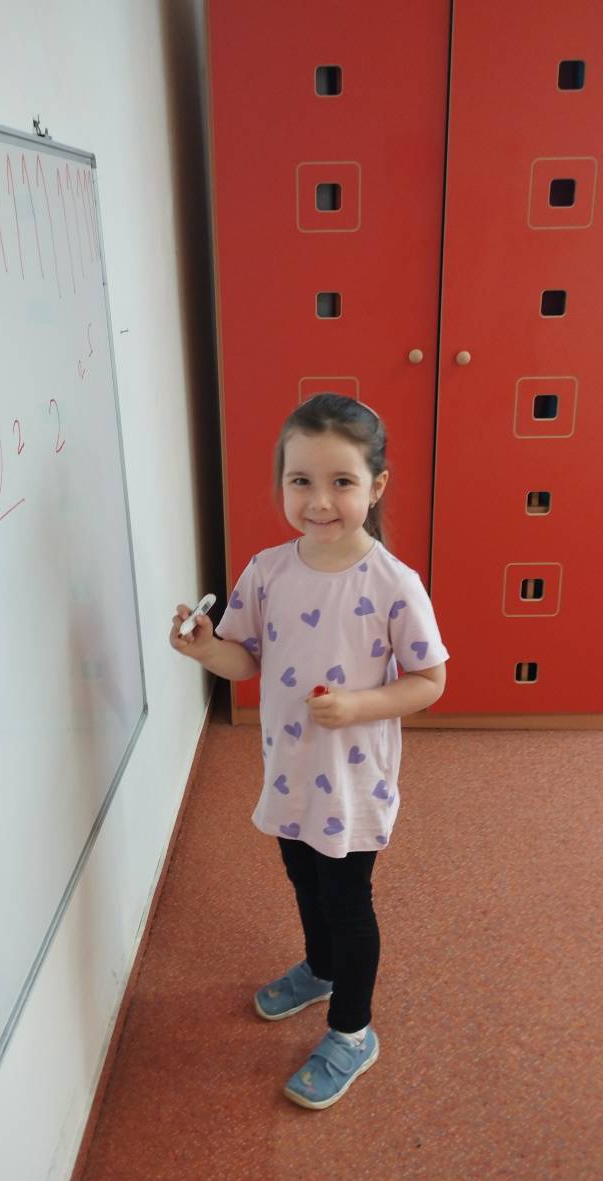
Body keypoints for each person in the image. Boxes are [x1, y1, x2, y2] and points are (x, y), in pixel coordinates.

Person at [170, 392, 449, 1109]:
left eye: (341, 482)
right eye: (301, 481)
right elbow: (244, 659)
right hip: (290, 768)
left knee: (347, 899)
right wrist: (205, 649)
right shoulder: (268, 570)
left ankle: (353, 1031)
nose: (319, 501)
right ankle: (321, 969)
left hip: (353, 781)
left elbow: (429, 681)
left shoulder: (393, 583)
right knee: (303, 878)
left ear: (375, 487)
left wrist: (357, 706)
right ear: (282, 484)